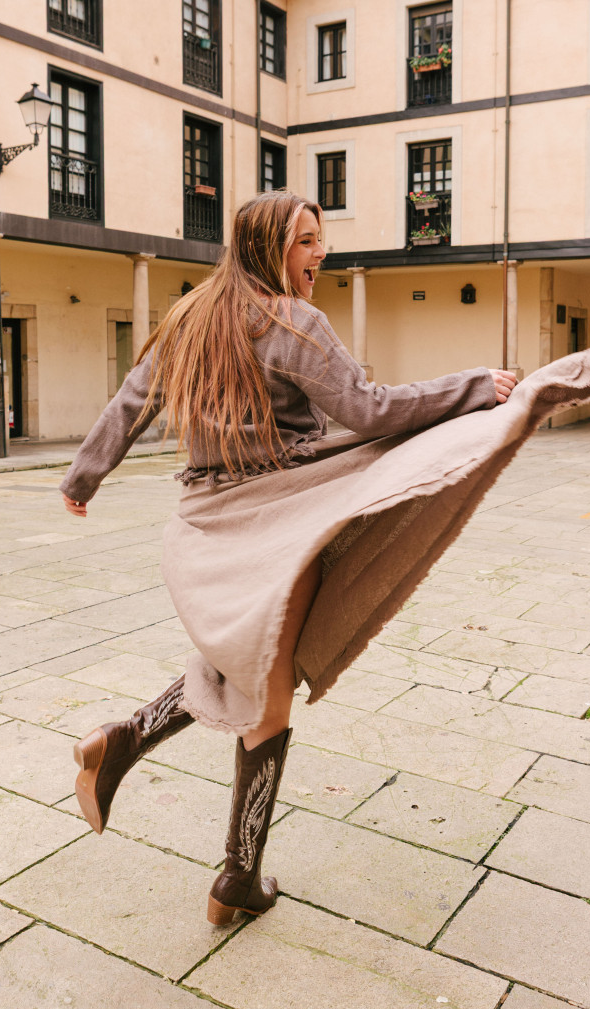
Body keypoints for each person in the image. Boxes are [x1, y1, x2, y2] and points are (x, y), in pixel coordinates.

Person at [60, 190, 518, 927]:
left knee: (251, 660)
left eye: (319, 239)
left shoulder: (190, 315)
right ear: (269, 246)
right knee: (268, 693)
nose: (319, 254)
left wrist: (84, 477)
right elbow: (367, 410)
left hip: (210, 516)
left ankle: (123, 744)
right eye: (305, 241)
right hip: (280, 512)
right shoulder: (290, 321)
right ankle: (236, 873)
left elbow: (129, 401)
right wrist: (471, 388)